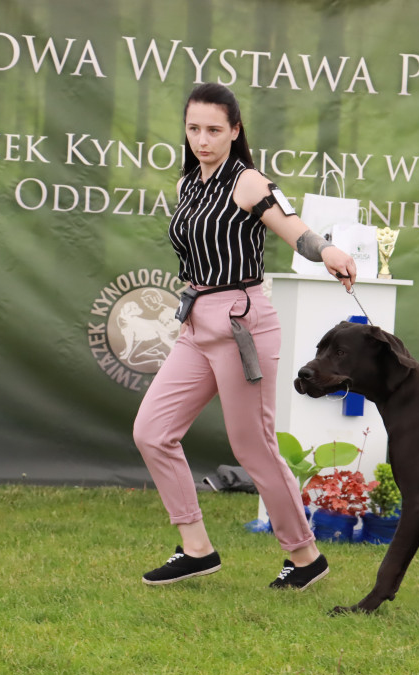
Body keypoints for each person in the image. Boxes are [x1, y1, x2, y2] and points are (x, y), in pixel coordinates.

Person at [134, 82, 356, 590]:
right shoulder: (188, 184)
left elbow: (295, 228)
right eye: (194, 129)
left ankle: (305, 557)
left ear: (235, 131)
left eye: (214, 129)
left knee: (253, 446)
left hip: (242, 323)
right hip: (196, 321)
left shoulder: (248, 182)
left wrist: (328, 252)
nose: (203, 140)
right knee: (151, 431)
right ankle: (196, 547)